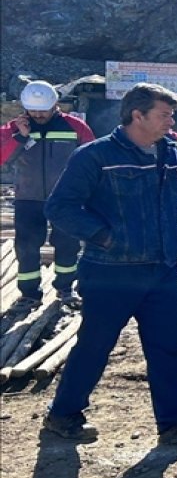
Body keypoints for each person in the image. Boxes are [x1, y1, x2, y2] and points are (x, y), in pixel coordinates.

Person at [42, 83, 177, 443]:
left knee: (168, 347)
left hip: (162, 270)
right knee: (95, 345)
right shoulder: (95, 156)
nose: (171, 122)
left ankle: (175, 422)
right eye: (164, 115)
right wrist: (107, 238)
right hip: (111, 272)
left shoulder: (170, 150)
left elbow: (175, 201)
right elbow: (60, 207)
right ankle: (63, 415)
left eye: (172, 115)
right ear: (136, 115)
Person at [0, 80, 95, 311]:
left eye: (43, 110)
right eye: (33, 110)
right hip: (28, 198)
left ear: (55, 105)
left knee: (67, 244)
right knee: (27, 246)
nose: (38, 114)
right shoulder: (12, 129)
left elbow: (92, 159)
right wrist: (21, 137)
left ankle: (65, 289)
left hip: (66, 198)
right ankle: (29, 294)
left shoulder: (76, 126)